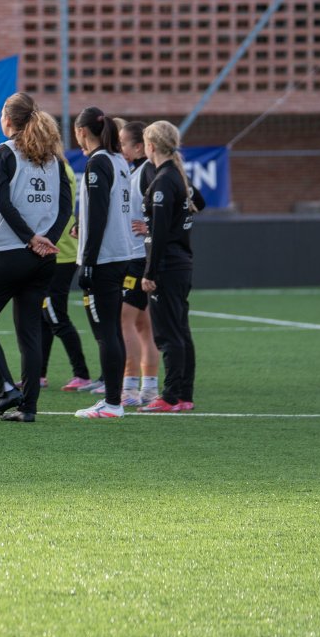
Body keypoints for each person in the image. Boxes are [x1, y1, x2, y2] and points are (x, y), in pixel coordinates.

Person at [0, 94, 70, 424]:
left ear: (8, 120)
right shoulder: (53, 158)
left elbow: (2, 201)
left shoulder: (4, 152)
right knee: (30, 333)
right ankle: (28, 407)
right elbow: (66, 206)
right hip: (42, 258)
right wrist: (47, 240)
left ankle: (6, 389)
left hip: (8, 253)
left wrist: (29, 238)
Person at [71, 107, 137, 419]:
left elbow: (98, 214)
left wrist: (88, 261)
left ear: (81, 131)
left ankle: (111, 403)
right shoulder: (118, 159)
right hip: (120, 254)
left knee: (106, 332)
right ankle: (114, 400)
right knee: (112, 330)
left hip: (105, 259)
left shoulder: (98, 162)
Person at [139, 121, 200, 413]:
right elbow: (199, 201)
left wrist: (149, 273)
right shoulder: (176, 175)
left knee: (168, 334)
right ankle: (184, 395)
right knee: (181, 331)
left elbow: (160, 232)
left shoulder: (164, 179)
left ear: (150, 146)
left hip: (168, 266)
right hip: (180, 263)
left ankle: (171, 396)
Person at [44, 155, 95, 394]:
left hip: (60, 252)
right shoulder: (59, 167)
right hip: (58, 250)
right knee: (45, 315)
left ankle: (81, 373)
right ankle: (38, 374)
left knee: (55, 314)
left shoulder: (57, 168)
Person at [119, 120, 160, 407]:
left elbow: (168, 207)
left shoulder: (148, 170)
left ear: (139, 147)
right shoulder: (135, 170)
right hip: (137, 255)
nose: (120, 148)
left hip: (139, 258)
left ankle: (130, 388)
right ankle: (149, 389)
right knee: (144, 325)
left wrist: (150, 226)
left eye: (123, 143)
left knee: (125, 321)